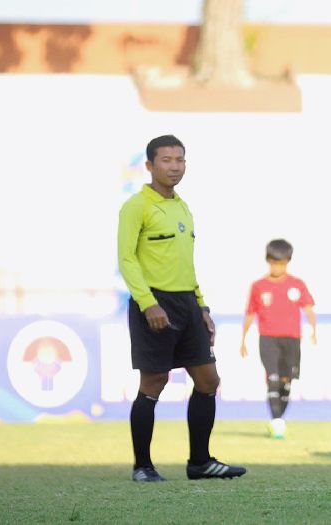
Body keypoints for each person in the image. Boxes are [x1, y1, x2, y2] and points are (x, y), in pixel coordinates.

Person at [118, 134, 247, 482]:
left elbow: (186, 265)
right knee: (154, 381)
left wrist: (202, 307)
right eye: (167, 160)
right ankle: (142, 466)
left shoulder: (183, 206)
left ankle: (200, 463)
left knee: (208, 380)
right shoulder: (136, 206)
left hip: (187, 304)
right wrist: (148, 304)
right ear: (149, 165)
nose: (175, 166)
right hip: (154, 302)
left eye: (180, 160)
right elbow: (126, 260)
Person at [239, 238, 317, 439]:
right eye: (274, 262)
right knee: (272, 378)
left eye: (281, 263)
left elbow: (308, 308)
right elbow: (250, 313)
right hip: (268, 338)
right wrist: (243, 339)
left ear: (288, 262)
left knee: (286, 381)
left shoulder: (297, 284)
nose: (277, 267)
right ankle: (276, 421)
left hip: (292, 339)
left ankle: (279, 418)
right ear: (268, 261)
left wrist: (313, 329)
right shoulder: (258, 286)